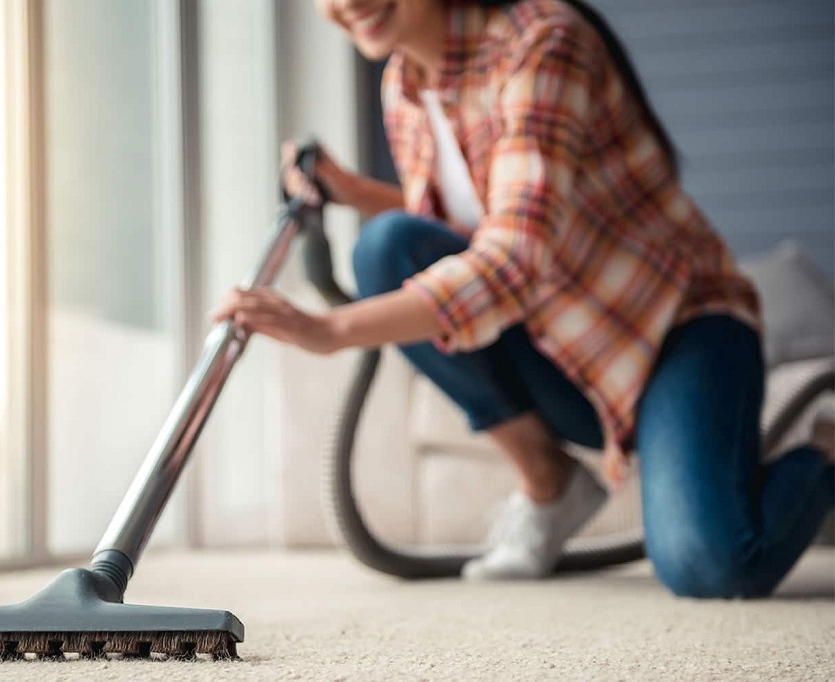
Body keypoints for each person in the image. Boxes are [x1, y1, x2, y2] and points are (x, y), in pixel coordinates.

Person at [212, 0, 835, 598]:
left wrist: (333, 329)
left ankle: (826, 448)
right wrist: (352, 192)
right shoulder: (404, 81)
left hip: (676, 333)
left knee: (713, 565)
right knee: (387, 247)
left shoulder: (543, 42)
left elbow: (515, 259)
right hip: (563, 350)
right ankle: (550, 482)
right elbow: (465, 227)